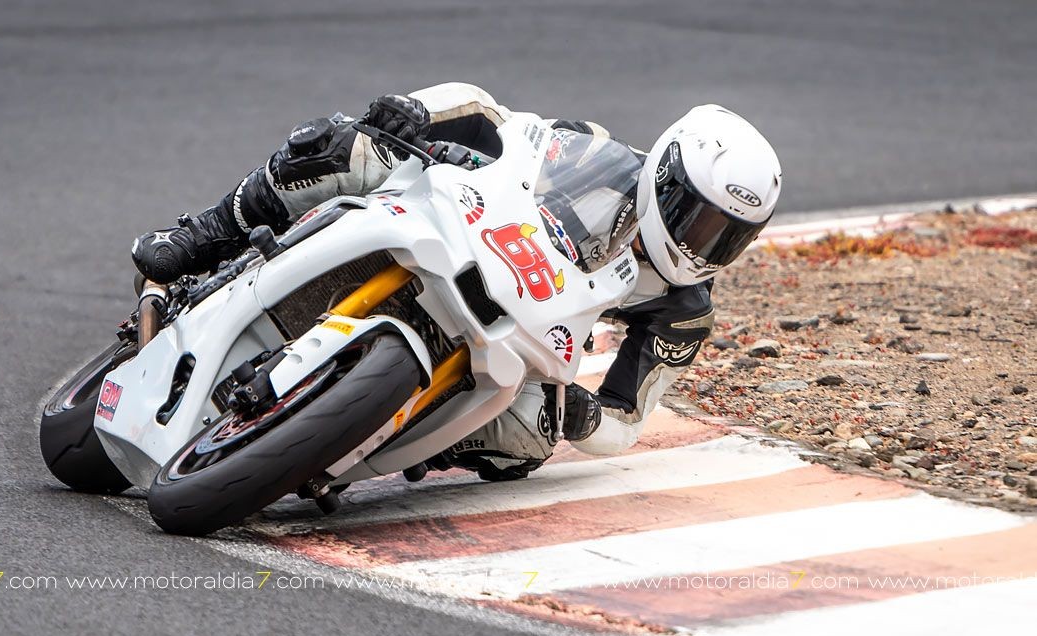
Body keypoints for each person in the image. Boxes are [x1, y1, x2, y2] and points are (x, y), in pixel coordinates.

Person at [132, 83, 782, 481]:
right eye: (698, 219)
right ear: (665, 177)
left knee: (530, 437)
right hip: (475, 236)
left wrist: (586, 417)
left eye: (727, 236)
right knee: (346, 146)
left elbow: (626, 419)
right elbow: (496, 119)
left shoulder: (684, 311)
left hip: (531, 320)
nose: (703, 244)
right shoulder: (599, 153)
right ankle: (203, 233)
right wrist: (419, 112)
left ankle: (387, 433)